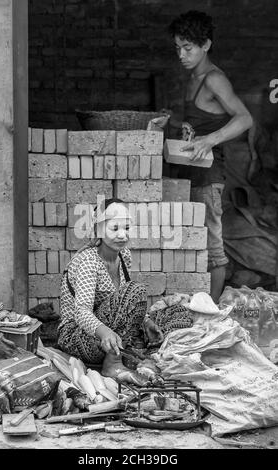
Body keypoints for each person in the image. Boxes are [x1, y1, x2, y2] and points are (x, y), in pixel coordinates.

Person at [167, 10, 253, 303]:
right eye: (178, 47)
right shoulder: (193, 78)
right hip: (189, 173)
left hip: (210, 177)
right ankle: (195, 304)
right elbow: (199, 124)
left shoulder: (214, 79)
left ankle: (212, 312)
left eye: (188, 47)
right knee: (192, 240)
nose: (181, 54)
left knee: (213, 248)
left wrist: (212, 139)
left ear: (205, 45)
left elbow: (244, 118)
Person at [58, 198, 163, 377]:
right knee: (136, 290)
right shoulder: (89, 261)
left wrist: (146, 322)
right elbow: (81, 312)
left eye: (127, 228)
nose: (122, 235)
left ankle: (122, 351)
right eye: (114, 228)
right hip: (81, 337)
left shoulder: (124, 255)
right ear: (99, 229)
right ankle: (112, 363)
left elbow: (123, 302)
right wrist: (105, 332)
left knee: (174, 315)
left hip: (111, 335)